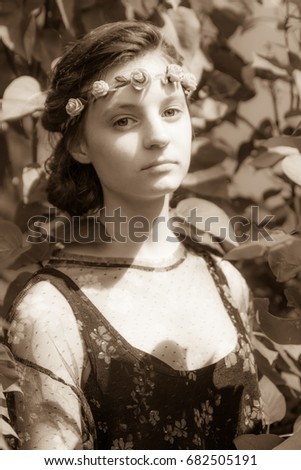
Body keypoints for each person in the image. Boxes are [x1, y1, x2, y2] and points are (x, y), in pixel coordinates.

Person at [6, 20, 267, 450]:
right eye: (124, 120)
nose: (159, 137)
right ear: (80, 145)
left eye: (170, 111)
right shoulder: (49, 313)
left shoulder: (226, 281)